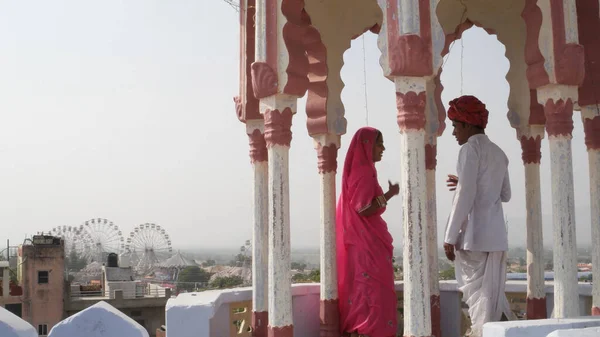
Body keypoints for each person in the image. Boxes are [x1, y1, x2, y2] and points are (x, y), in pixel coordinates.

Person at [443, 95, 516, 337]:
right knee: (492, 300)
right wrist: (469, 182)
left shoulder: (469, 149)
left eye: (455, 126)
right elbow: (505, 194)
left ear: (465, 124)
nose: (454, 133)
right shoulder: (499, 153)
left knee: (479, 303)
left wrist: (450, 236)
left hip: (474, 237)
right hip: (496, 238)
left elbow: (466, 194)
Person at [336, 127, 400, 337]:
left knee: (368, 289)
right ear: (367, 145)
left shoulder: (365, 170)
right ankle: (366, 331)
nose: (383, 148)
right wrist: (389, 195)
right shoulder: (363, 172)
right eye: (379, 144)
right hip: (366, 243)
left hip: (367, 240)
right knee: (371, 290)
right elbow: (363, 208)